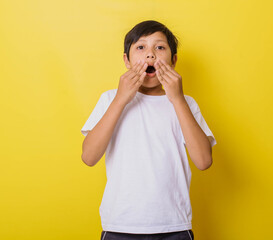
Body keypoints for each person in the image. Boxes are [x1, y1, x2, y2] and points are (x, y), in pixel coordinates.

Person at [81, 20, 217, 240]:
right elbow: (88, 156)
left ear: (173, 60)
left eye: (160, 47)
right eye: (141, 47)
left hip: (174, 226)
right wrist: (121, 99)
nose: (151, 55)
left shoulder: (186, 103)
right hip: (119, 225)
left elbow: (203, 161)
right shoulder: (109, 100)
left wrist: (177, 99)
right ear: (127, 60)